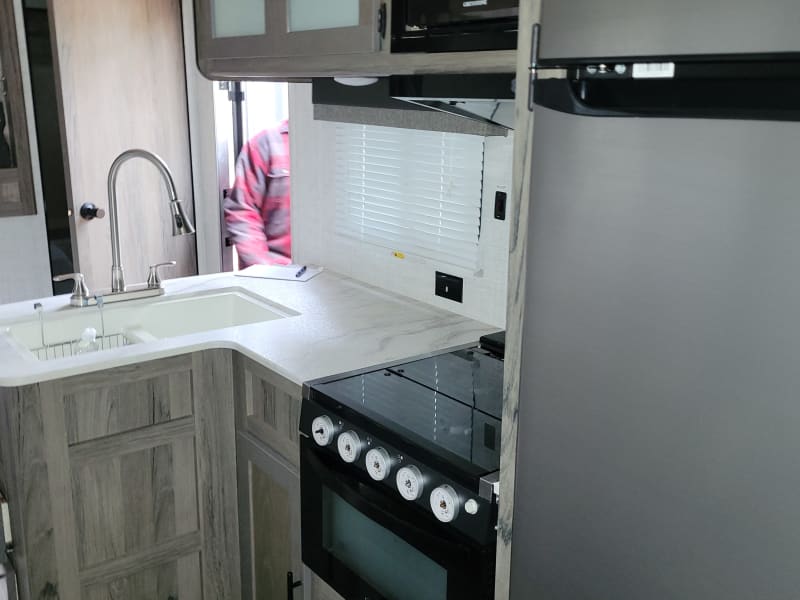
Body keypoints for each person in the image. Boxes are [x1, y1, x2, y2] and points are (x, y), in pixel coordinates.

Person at [224, 119, 291, 268]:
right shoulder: (265, 144)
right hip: (273, 271)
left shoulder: (343, 145)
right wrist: (265, 272)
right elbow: (242, 211)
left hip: (329, 276)